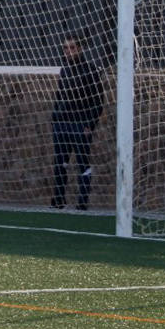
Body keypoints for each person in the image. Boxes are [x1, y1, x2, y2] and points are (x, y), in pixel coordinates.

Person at [51, 35, 104, 210]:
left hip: (80, 123)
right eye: (65, 48)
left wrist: (90, 124)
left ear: (80, 49)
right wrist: (55, 117)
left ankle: (82, 202)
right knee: (60, 162)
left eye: (72, 47)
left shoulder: (90, 70)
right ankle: (58, 200)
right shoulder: (64, 70)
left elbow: (98, 101)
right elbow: (60, 95)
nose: (69, 51)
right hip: (61, 124)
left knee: (82, 162)